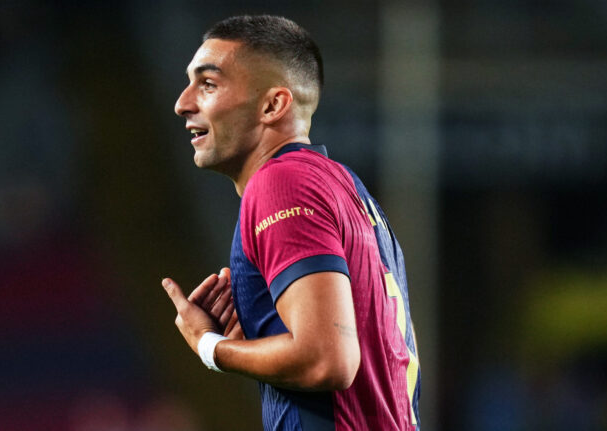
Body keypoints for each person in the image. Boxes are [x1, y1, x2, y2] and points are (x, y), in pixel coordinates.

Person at [163, 15, 422, 431]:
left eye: (208, 84)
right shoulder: (345, 187)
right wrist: (264, 346)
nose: (183, 102)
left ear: (272, 105)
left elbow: (327, 359)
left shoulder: (282, 184)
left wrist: (210, 348)